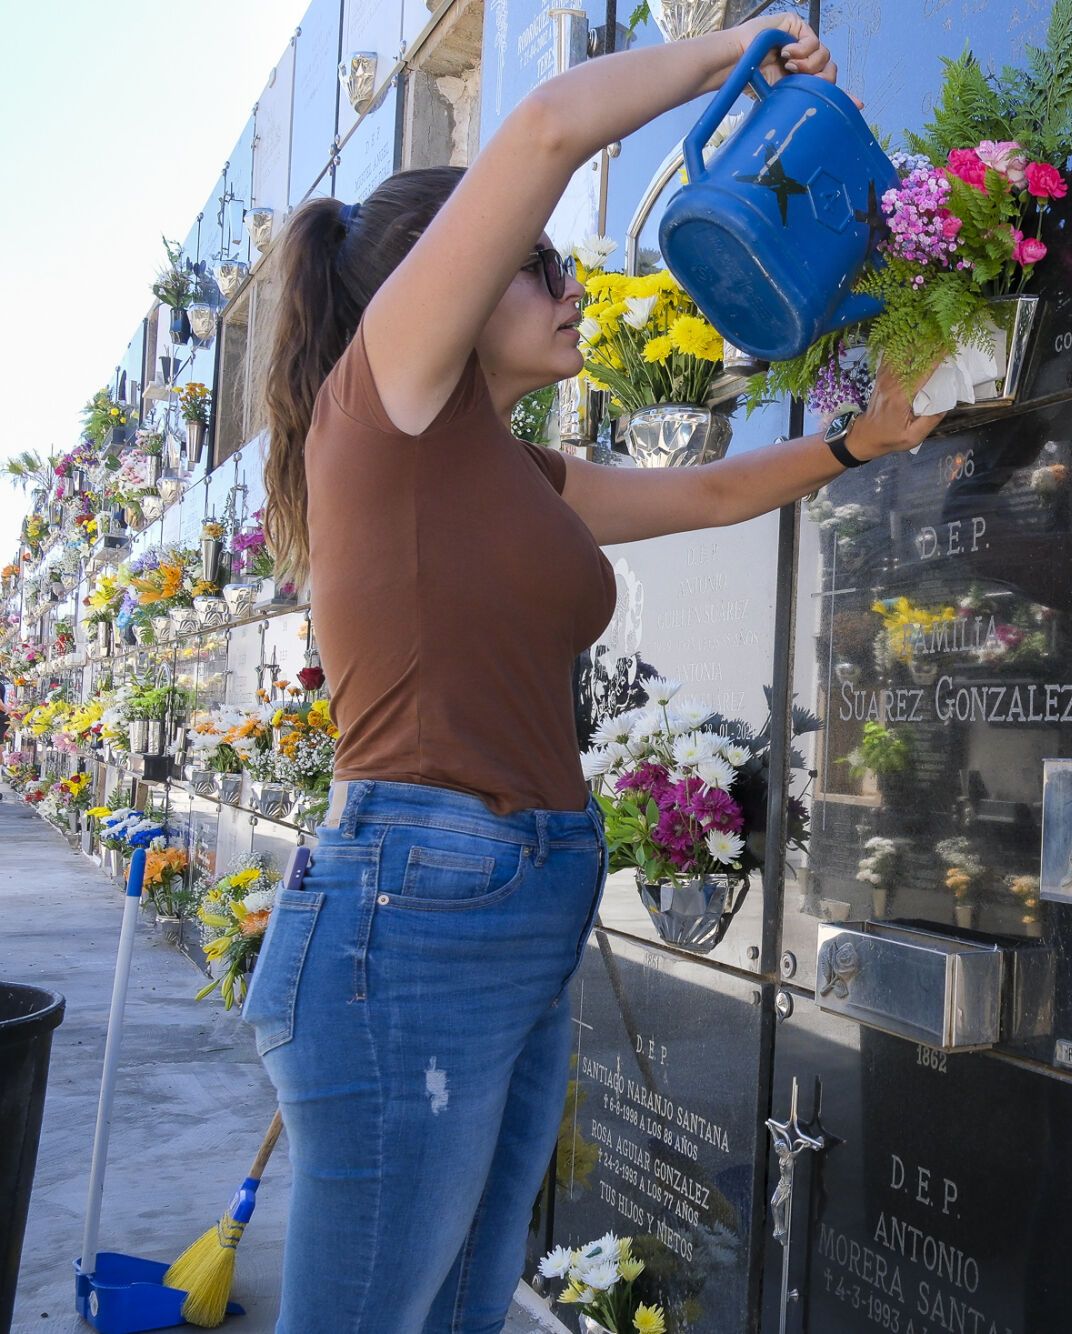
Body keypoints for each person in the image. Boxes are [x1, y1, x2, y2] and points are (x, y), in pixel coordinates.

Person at [238, 15, 941, 1331]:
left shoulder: (514, 470)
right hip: (413, 917)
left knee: (454, 1313)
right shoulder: (380, 412)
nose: (567, 282)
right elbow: (549, 128)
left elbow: (714, 490)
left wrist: (859, 441)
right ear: (445, 287)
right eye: (535, 263)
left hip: (514, 908)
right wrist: (742, 46)